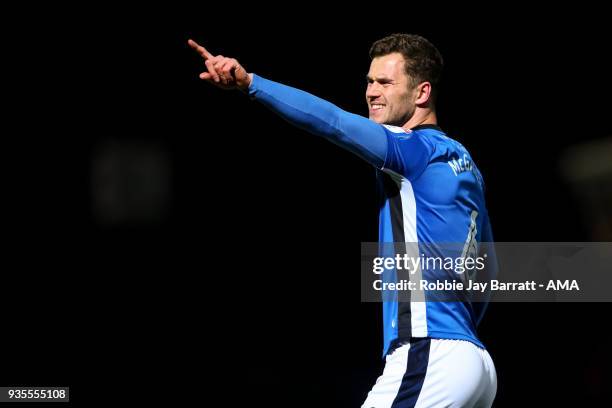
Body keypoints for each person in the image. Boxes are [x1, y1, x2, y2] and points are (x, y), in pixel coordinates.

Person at [188, 33, 497, 407]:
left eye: (385, 82)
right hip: (475, 362)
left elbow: (333, 122)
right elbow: (487, 272)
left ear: (421, 93)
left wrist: (251, 83)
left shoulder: (411, 150)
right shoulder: (463, 162)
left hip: (431, 352)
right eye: (369, 81)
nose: (371, 91)